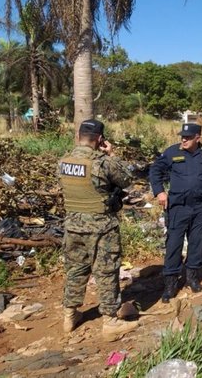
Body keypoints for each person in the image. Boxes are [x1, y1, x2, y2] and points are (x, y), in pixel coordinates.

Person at [59, 119, 138, 341]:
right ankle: (110, 321)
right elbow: (126, 179)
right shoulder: (103, 162)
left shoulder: (64, 161)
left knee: (76, 269)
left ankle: (69, 315)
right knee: (106, 271)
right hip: (101, 226)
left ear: (78, 136)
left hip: (73, 226)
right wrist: (112, 154)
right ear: (100, 140)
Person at [149, 123, 202, 302]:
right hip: (178, 207)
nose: (183, 139)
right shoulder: (172, 152)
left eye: (188, 137)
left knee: (197, 242)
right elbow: (155, 171)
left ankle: (192, 277)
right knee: (174, 244)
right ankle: (170, 283)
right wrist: (159, 191)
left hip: (200, 206)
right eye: (182, 136)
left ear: (197, 138)